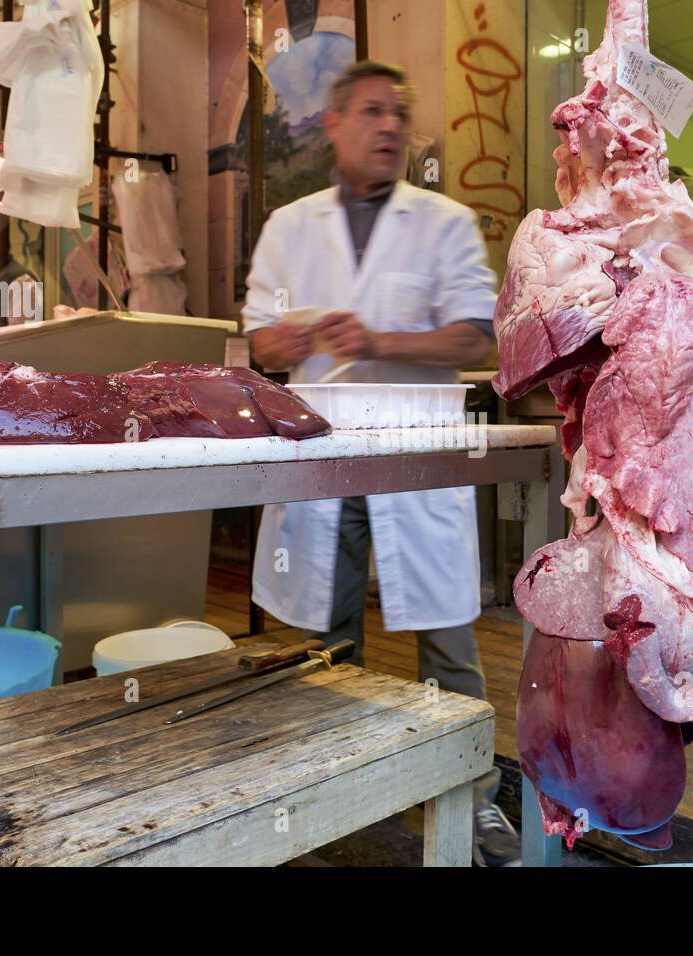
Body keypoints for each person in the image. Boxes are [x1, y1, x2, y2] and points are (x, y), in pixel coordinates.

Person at [242, 60, 519, 866]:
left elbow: (479, 337)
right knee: (325, 634)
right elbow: (254, 334)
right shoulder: (290, 227)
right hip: (322, 450)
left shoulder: (445, 222)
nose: (390, 126)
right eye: (372, 111)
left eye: (399, 113)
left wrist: (381, 340)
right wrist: (275, 343)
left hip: (413, 451)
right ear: (333, 125)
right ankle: (342, 789)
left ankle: (470, 799)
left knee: (445, 638)